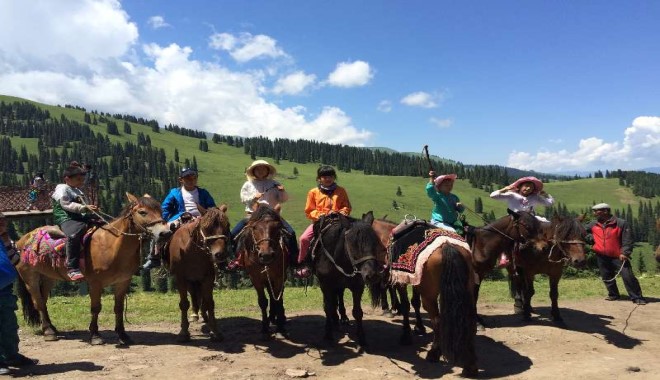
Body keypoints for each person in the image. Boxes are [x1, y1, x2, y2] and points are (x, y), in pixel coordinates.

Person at [226, 160, 298, 271]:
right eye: (258, 169)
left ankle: (294, 260)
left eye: (263, 169)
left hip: (272, 216)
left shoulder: (275, 183)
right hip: (253, 215)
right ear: (253, 171)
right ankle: (238, 259)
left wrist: (282, 191)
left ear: (267, 171)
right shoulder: (248, 184)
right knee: (234, 234)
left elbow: (283, 199)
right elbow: (243, 200)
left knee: (291, 232)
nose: (260, 171)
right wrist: (254, 197)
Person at [143, 167, 217, 270]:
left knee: (219, 232)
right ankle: (154, 257)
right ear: (181, 180)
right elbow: (165, 207)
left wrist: (208, 215)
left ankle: (222, 257)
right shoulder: (174, 193)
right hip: (181, 218)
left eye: (193, 178)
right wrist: (162, 221)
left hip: (201, 218)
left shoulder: (203, 193)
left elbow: (212, 207)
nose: (191, 180)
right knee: (159, 231)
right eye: (187, 178)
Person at [295, 165, 352, 278]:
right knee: (304, 239)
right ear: (319, 178)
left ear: (334, 177)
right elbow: (309, 210)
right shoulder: (313, 192)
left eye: (330, 176)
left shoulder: (341, 190)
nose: (328, 179)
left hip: (339, 221)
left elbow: (347, 206)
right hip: (319, 222)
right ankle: (303, 265)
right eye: (324, 176)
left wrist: (340, 212)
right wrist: (321, 215)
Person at [585, 203, 647, 305]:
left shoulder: (621, 223)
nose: (594, 213)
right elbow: (583, 231)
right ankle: (613, 295)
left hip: (619, 256)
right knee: (606, 276)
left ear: (605, 211)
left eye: (597, 211)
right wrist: (591, 239)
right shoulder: (593, 224)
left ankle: (637, 297)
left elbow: (628, 239)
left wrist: (625, 252)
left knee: (628, 276)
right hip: (601, 255)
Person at [0, 213, 38, 376]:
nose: (3, 223)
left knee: (9, 325)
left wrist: (8, 243)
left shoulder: (5, 241)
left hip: (5, 292)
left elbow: (15, 261)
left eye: (3, 220)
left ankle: (11, 356)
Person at [490, 176, 554, 267]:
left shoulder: (535, 197)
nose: (528, 188)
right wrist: (505, 189)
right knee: (503, 233)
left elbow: (550, 203)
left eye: (531, 187)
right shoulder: (511, 195)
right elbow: (493, 195)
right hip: (514, 218)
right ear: (519, 186)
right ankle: (504, 256)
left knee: (547, 227)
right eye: (526, 186)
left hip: (530, 219)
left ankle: (548, 252)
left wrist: (545, 194)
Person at [52, 162, 99, 281]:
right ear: (67, 178)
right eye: (78, 179)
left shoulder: (77, 190)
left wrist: (91, 210)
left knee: (102, 224)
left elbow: (83, 206)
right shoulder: (62, 189)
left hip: (78, 217)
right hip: (66, 218)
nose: (81, 182)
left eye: (82, 179)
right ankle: (72, 268)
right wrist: (84, 208)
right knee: (73, 235)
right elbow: (66, 204)